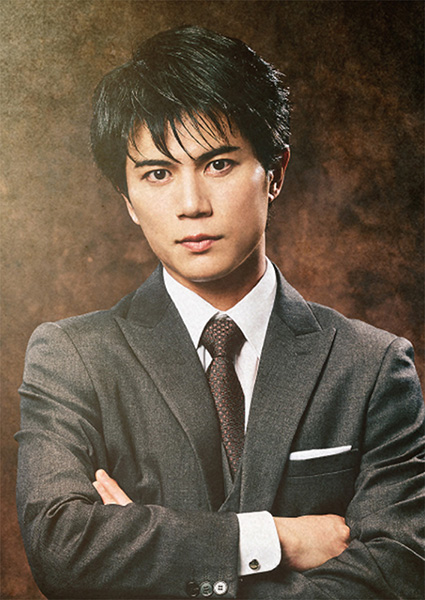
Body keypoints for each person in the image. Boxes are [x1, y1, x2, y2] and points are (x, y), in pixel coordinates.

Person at [16, 26, 424, 600]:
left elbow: (399, 570)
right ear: (128, 200)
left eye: (218, 164)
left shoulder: (373, 365)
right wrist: (272, 539)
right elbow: (62, 547)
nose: (191, 205)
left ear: (275, 173)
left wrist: (146, 562)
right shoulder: (72, 357)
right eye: (158, 173)